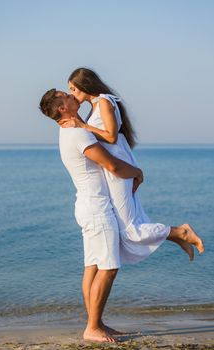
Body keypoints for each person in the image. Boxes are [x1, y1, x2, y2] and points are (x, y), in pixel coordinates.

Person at [39, 89, 204, 343]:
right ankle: (92, 327)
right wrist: (137, 172)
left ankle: (96, 324)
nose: (74, 98)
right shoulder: (77, 133)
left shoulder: (67, 133)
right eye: (67, 96)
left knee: (92, 268)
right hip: (97, 209)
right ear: (61, 108)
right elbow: (112, 165)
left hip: (87, 207)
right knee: (108, 267)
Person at [62, 67, 204, 263]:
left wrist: (83, 126)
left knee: (130, 230)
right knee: (128, 225)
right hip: (115, 167)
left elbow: (111, 137)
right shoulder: (95, 106)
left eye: (73, 89)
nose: (72, 94)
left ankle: (181, 232)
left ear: (85, 85)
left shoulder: (103, 101)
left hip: (119, 167)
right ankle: (177, 236)